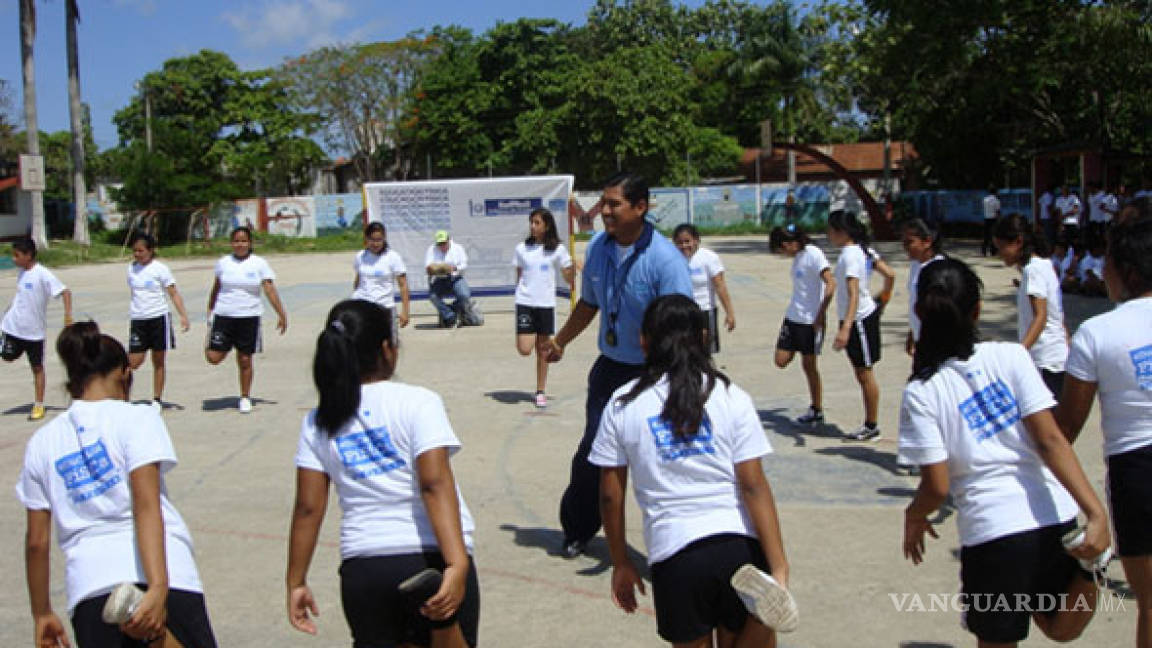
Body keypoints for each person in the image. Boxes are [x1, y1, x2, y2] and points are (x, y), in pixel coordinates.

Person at [900, 258, 1109, 648]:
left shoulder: (922, 392)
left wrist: (914, 515)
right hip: (1053, 514)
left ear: (919, 312)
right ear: (977, 310)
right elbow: (1051, 440)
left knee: (999, 641)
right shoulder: (1012, 356)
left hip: (994, 533)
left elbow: (937, 485)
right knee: (1061, 628)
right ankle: (1088, 569)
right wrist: (1095, 512)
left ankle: (1086, 570)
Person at [591, 294, 798, 647]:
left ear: (643, 341)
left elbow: (611, 494)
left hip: (676, 555)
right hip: (739, 548)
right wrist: (778, 567)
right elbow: (753, 486)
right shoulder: (732, 396)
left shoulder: (623, 403)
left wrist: (621, 561)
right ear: (704, 338)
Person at [287, 299, 479, 648]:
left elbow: (308, 508)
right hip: (427, 556)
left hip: (364, 567)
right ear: (386, 349)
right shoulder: (417, 402)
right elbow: (434, 484)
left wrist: (296, 581)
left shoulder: (319, 419)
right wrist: (456, 564)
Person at [18, 321, 217, 648]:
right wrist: (157, 587)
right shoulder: (137, 418)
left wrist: (42, 613)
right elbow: (146, 504)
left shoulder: (43, 442)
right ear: (125, 373)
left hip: (92, 589)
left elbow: (37, 542)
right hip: (166, 574)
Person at [540, 172, 693, 559]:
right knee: (593, 452)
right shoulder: (598, 248)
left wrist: (685, 378)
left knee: (661, 458)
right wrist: (560, 341)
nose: (604, 211)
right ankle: (578, 529)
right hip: (610, 369)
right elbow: (589, 304)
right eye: (603, 203)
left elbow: (684, 324)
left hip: (656, 373)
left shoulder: (666, 260)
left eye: (613, 204)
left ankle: (678, 543)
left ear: (640, 208)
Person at [1057, 204, 1152, 648]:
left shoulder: (1097, 332)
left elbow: (1067, 427)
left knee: (1151, 603)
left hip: (1138, 470)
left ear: (1127, 272)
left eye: (1109, 264)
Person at [205, 226, 288, 413]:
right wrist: (210, 308)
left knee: (244, 359)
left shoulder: (259, 264)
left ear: (250, 243)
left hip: (248, 316)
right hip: (224, 315)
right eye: (236, 241)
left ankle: (244, 396)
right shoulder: (223, 263)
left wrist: (281, 314)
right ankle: (217, 340)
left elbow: (269, 289)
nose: (240, 244)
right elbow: (216, 287)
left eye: (243, 241)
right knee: (213, 358)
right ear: (231, 243)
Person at [827, 211, 893, 441]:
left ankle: (871, 425)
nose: (828, 235)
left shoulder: (850, 255)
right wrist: (884, 296)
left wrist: (846, 327)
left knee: (865, 374)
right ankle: (870, 423)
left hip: (858, 320)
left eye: (831, 230)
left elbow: (853, 293)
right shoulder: (865, 250)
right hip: (862, 316)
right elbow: (890, 275)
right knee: (862, 371)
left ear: (841, 232)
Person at [994, 214, 1068, 402]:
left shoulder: (1033, 270)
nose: (1000, 253)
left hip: (1045, 359)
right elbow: (1056, 312)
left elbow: (1041, 316)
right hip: (1056, 357)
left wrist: (1020, 352)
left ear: (1018, 242)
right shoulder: (1043, 265)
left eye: (1002, 247)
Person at [769, 224, 834, 426]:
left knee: (809, 366)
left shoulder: (814, 254)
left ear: (791, 243)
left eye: (782, 248)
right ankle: (815, 407)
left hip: (811, 321)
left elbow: (831, 284)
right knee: (780, 360)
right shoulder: (797, 257)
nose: (782, 253)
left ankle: (816, 408)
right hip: (793, 317)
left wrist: (821, 314)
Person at [2, 237, 73, 421]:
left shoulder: (43, 274)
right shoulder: (22, 272)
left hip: (34, 333)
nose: (14, 259)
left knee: (37, 368)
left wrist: (67, 316)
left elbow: (65, 292)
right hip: (13, 327)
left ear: (28, 255)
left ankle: (39, 405)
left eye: (17, 255)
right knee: (7, 356)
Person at [513, 208, 574, 408]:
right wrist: (519, 292)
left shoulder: (557, 249)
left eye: (537, 222)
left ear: (547, 226)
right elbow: (519, 273)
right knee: (524, 349)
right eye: (531, 222)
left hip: (546, 304)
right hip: (525, 302)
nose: (532, 226)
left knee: (543, 350)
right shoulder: (522, 248)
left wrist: (572, 270)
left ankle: (540, 391)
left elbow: (568, 276)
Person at [126, 232, 191, 410]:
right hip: (139, 320)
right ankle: (122, 396)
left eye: (141, 251)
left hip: (158, 318)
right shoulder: (131, 269)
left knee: (158, 360)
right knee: (133, 362)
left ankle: (157, 398)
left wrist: (183, 315)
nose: (137, 254)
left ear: (151, 250)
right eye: (135, 251)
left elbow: (173, 293)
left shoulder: (160, 269)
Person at [673, 223, 735, 354]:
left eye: (687, 241)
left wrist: (729, 313)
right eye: (680, 242)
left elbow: (720, 286)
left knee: (704, 352)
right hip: (681, 312)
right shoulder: (672, 258)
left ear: (696, 240)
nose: (684, 246)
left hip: (705, 311)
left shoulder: (709, 258)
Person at [352, 221, 410, 344]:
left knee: (389, 345)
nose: (375, 243)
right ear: (366, 239)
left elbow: (403, 285)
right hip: (363, 308)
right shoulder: (360, 256)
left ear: (384, 238)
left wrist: (405, 311)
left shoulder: (393, 257)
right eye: (372, 239)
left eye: (379, 239)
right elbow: (357, 280)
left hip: (384, 307)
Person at [901, 218, 945, 357]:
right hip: (921, 339)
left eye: (910, 242)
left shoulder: (939, 270)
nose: (904, 246)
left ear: (927, 241)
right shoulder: (916, 265)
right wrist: (912, 333)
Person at [425, 231, 477, 328]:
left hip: (455, 278)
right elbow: (428, 266)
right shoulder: (431, 249)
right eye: (439, 244)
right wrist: (435, 269)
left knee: (464, 295)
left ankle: (451, 309)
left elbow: (464, 265)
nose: (442, 246)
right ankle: (450, 316)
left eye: (444, 243)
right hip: (439, 279)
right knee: (432, 297)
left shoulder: (458, 248)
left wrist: (454, 268)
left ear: (449, 240)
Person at [982, 185, 1001, 257]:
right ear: (995, 192)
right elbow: (998, 211)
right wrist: (999, 219)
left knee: (986, 235)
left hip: (986, 218)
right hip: (993, 219)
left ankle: (984, 251)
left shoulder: (985, 199)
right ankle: (993, 251)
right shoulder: (996, 200)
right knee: (993, 235)